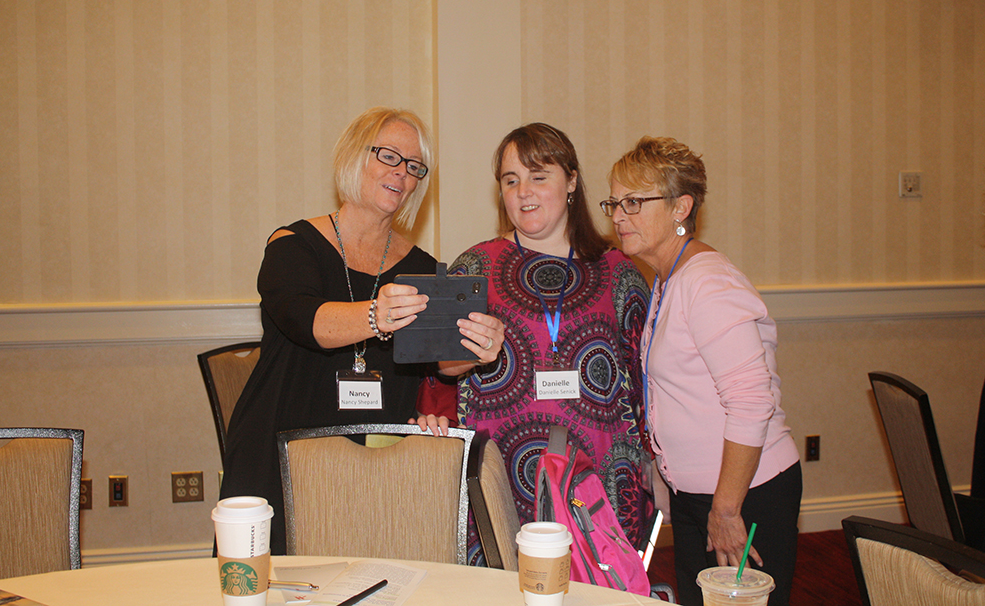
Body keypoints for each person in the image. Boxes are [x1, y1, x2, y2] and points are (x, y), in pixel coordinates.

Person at [220, 107, 504, 555]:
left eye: (414, 167)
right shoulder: (292, 246)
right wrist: (376, 315)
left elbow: (444, 362)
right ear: (355, 157)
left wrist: (478, 348)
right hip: (279, 453)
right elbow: (307, 322)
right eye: (389, 156)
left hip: (376, 463)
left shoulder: (422, 269)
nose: (402, 174)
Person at [421, 123, 653, 564]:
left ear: (570, 181)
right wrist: (470, 355)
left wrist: (654, 467)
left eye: (538, 176)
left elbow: (645, 384)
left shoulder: (619, 271)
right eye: (511, 181)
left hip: (602, 475)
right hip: (503, 472)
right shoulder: (475, 267)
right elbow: (442, 366)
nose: (523, 191)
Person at [604, 136, 801, 606]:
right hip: (705, 497)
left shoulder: (708, 283)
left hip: (745, 496)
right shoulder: (669, 277)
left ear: (681, 207)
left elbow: (752, 402)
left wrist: (727, 508)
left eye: (633, 202)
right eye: (613, 202)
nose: (616, 216)